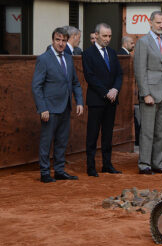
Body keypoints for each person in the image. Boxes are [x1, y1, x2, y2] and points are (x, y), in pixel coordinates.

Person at [31, 27, 84, 183]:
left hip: (65, 107)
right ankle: (45, 172)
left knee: (62, 141)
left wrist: (79, 101)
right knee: (46, 142)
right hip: (49, 108)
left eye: (63, 40)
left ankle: (59, 170)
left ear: (67, 41)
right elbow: (36, 86)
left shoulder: (68, 58)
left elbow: (75, 83)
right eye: (57, 40)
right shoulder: (44, 59)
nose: (61, 43)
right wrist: (42, 108)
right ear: (53, 40)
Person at [134, 11, 162, 175]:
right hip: (150, 92)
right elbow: (140, 69)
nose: (161, 26)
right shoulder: (143, 42)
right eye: (158, 23)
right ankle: (144, 164)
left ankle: (157, 163)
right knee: (148, 131)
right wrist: (145, 93)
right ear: (150, 23)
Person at [82, 23, 123, 177]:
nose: (107, 39)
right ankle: (91, 166)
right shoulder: (88, 54)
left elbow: (119, 74)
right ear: (97, 35)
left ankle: (107, 164)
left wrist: (115, 90)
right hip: (97, 100)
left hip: (111, 100)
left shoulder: (112, 52)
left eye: (109, 36)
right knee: (92, 134)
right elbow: (90, 77)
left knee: (107, 135)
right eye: (105, 36)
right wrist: (106, 92)